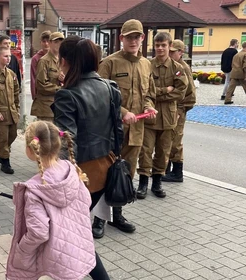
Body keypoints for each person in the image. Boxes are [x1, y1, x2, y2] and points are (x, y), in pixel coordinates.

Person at [54, 36, 124, 279]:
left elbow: (66, 142)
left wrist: (53, 176)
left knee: (76, 234)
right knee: (76, 230)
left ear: (65, 61)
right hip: (107, 166)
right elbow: (119, 131)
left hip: (81, 173)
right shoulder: (109, 87)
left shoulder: (67, 95)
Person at [6, 121, 104, 280]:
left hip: (57, 254)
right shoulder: (71, 169)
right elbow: (86, 201)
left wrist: (22, 249)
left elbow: (38, 232)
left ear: (30, 150)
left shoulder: (35, 190)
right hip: (78, 242)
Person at [97, 19, 157, 239]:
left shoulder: (146, 64)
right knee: (106, 173)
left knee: (125, 174)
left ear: (142, 39)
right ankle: (99, 218)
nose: (133, 41)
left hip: (136, 131)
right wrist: (123, 112)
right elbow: (100, 95)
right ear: (121, 38)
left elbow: (149, 93)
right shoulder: (109, 63)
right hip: (112, 130)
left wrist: (149, 106)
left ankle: (117, 215)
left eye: (137, 37)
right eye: (129, 37)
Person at [137, 32, 187, 199]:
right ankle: (143, 182)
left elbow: (181, 92)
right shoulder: (147, 65)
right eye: (157, 45)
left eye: (163, 45)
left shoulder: (177, 68)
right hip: (150, 115)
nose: (160, 48)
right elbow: (145, 91)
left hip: (168, 118)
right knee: (145, 151)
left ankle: (157, 182)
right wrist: (166, 90)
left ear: (169, 46)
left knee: (163, 151)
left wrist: (157, 94)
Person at [162, 39, 196, 182]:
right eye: (169, 51)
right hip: (173, 108)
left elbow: (189, 93)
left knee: (175, 140)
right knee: (168, 139)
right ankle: (166, 169)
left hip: (179, 108)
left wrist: (181, 109)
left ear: (181, 52)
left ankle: (177, 172)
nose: (169, 54)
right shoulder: (172, 66)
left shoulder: (182, 68)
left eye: (173, 52)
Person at [31, 32, 65, 122]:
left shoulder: (63, 60)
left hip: (59, 106)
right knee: (46, 135)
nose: (59, 44)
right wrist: (60, 89)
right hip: (46, 108)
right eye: (56, 41)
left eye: (61, 42)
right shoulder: (44, 61)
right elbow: (41, 85)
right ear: (50, 43)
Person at [30, 30, 51, 100]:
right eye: (44, 41)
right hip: (40, 95)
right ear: (40, 43)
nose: (46, 44)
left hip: (54, 93)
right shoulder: (35, 58)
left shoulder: (57, 57)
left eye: (48, 41)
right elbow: (33, 78)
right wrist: (34, 96)